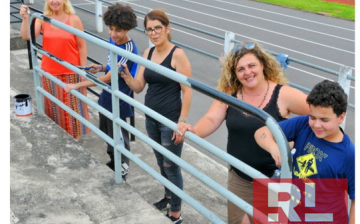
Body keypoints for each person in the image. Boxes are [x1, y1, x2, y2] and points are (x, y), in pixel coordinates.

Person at [178, 41, 309, 224]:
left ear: (262, 65)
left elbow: (318, 116)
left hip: (273, 180)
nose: (247, 72)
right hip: (239, 178)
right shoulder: (230, 93)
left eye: (251, 65)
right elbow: (211, 119)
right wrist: (193, 130)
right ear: (234, 73)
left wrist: (294, 143)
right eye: (240, 69)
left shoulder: (283, 94)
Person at [120, 9, 192, 224]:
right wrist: (126, 76)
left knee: (171, 166)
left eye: (157, 28)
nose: (153, 33)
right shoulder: (148, 53)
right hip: (151, 117)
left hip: (170, 121)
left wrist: (183, 121)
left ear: (167, 29)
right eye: (149, 29)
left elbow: (187, 90)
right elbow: (139, 86)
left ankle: (176, 214)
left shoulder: (177, 54)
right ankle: (168, 197)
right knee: (161, 163)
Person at [254, 80, 354, 224]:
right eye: (312, 117)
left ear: (341, 117)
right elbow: (261, 132)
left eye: (324, 120)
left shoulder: (349, 154)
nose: (317, 125)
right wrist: (275, 149)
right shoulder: (303, 125)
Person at [64, 3, 138, 180]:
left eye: (118, 30)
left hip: (119, 96)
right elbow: (112, 67)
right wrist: (100, 67)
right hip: (107, 94)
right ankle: (113, 161)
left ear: (127, 29)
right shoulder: (114, 40)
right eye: (110, 29)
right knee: (106, 130)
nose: (113, 34)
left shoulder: (128, 48)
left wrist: (78, 85)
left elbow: (111, 77)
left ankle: (123, 168)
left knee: (119, 134)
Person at [19, 0, 90, 140]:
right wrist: (26, 19)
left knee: (72, 113)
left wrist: (82, 71)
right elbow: (27, 36)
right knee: (54, 110)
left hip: (71, 72)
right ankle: (59, 140)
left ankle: (74, 143)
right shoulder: (42, 18)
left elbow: (82, 47)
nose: (54, 1)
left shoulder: (74, 19)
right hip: (50, 72)